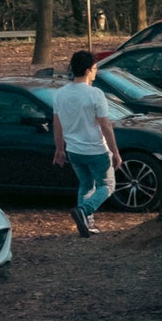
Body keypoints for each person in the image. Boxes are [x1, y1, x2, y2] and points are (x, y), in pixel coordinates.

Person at [50, 49, 125, 237]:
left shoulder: (59, 94)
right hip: (96, 149)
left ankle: (86, 223)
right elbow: (105, 125)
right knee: (107, 186)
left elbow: (57, 125)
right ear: (87, 71)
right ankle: (84, 211)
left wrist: (59, 149)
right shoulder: (95, 94)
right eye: (94, 68)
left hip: (74, 150)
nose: (96, 71)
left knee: (86, 184)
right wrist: (115, 152)